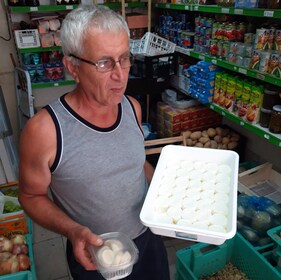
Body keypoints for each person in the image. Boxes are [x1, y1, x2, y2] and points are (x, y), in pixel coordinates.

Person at [18, 4, 170, 280]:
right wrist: (73, 231)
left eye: (124, 58)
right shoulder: (45, 131)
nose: (120, 74)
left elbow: (136, 166)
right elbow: (30, 196)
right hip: (95, 255)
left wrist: (165, 192)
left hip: (149, 242)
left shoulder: (132, 107)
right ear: (72, 67)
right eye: (104, 62)